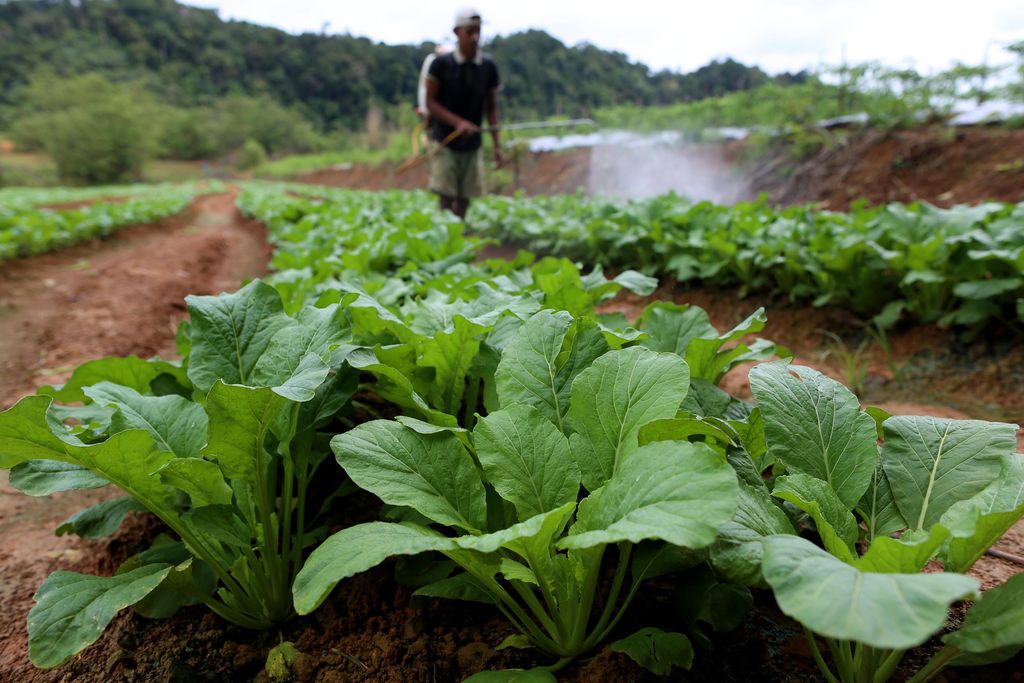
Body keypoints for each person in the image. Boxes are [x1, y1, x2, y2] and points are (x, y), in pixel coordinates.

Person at [424, 8, 504, 219]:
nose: (475, 37)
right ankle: (446, 235)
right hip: (445, 139)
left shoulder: (488, 67)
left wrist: (497, 145)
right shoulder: (441, 64)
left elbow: (492, 107)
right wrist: (458, 123)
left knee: (466, 194)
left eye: (478, 31)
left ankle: (458, 233)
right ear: (457, 32)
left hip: (473, 142)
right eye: (470, 32)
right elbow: (430, 102)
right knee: (446, 193)